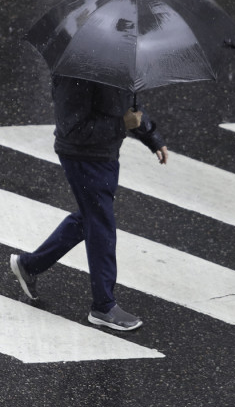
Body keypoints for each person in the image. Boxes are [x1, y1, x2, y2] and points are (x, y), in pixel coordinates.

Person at [9, 75, 169, 331]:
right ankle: (103, 306)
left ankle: (30, 265)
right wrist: (122, 126)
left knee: (91, 218)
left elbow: (127, 104)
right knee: (101, 223)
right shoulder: (76, 73)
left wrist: (151, 136)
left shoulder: (114, 61)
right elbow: (72, 128)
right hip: (82, 156)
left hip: (105, 154)